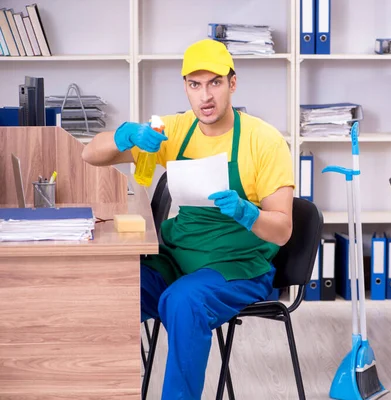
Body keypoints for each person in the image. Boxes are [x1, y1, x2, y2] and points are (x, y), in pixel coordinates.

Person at [82, 38, 295, 399]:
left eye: (214, 82)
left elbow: (283, 230)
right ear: (185, 88)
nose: (205, 96)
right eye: (195, 85)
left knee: (183, 302)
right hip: (178, 260)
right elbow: (90, 154)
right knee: (109, 290)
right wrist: (126, 135)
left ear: (232, 83)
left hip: (238, 266)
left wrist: (248, 212)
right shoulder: (176, 130)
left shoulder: (265, 141)